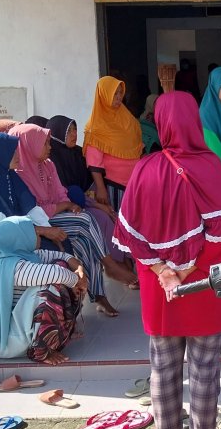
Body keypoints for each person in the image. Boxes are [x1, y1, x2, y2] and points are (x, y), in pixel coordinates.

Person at [113, 92, 221, 429]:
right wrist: (186, 272)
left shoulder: (145, 168)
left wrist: (163, 271)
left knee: (163, 367)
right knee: (204, 370)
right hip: (202, 287)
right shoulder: (210, 166)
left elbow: (131, 235)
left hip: (161, 292)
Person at [10, 122, 136, 317]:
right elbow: (37, 211)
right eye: (45, 143)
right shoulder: (19, 174)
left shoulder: (48, 165)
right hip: (39, 225)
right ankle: (109, 267)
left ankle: (98, 295)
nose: (49, 147)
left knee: (85, 240)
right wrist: (65, 205)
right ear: (31, 145)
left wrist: (67, 205)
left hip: (57, 216)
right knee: (85, 220)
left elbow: (60, 192)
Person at [0, 216, 85, 364]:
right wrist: (79, 282)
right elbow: (57, 273)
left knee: (60, 265)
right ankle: (40, 352)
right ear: (20, 238)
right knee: (49, 288)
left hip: (18, 334)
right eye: (34, 232)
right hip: (7, 343)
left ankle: (57, 335)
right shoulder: (10, 266)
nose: (39, 236)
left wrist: (79, 269)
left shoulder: (22, 255)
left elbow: (62, 256)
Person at [46, 114, 131, 273]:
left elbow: (88, 183)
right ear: (57, 133)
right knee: (102, 218)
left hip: (84, 200)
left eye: (75, 129)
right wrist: (97, 205)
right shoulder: (52, 159)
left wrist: (96, 200)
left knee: (113, 215)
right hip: (67, 207)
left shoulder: (78, 153)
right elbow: (66, 192)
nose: (74, 134)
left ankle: (125, 261)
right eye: (68, 131)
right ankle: (115, 266)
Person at [0, 133, 67, 255]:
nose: (18, 155)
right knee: (45, 253)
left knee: (62, 245)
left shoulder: (8, 174)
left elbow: (30, 207)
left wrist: (49, 230)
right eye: (12, 151)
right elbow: (0, 223)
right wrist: (42, 231)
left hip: (13, 235)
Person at [83, 76, 144, 213]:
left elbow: (139, 147)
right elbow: (94, 162)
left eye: (120, 93)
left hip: (136, 183)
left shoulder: (128, 119)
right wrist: (100, 188)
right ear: (104, 95)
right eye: (114, 93)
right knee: (119, 220)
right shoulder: (95, 126)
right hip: (114, 186)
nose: (118, 97)